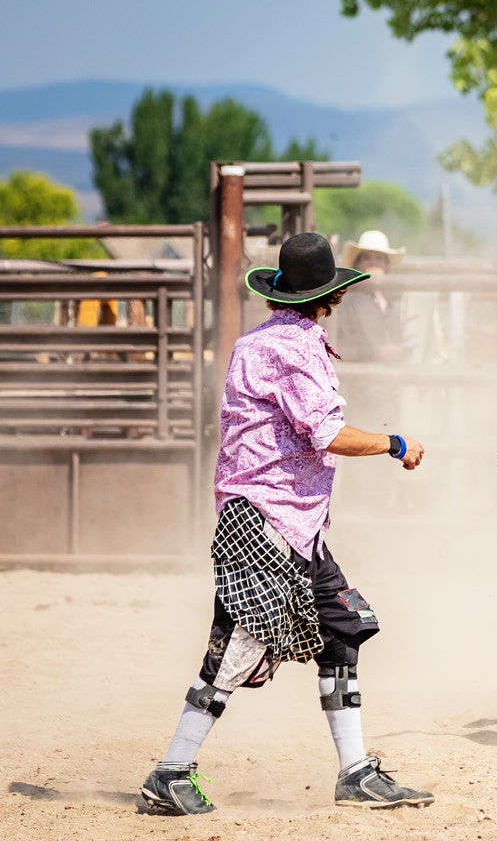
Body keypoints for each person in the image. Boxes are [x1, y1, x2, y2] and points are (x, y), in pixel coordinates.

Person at [138, 233, 433, 816]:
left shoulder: (259, 342)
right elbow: (326, 434)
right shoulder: (295, 351)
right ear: (329, 298)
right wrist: (394, 442)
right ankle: (172, 769)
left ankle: (354, 771)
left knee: (342, 625)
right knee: (237, 647)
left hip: (281, 522)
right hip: (272, 518)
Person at [329, 229, 408, 364]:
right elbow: (337, 348)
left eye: (379, 258)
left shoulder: (392, 303)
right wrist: (377, 352)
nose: (373, 263)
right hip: (358, 379)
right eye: (367, 258)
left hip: (391, 378)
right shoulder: (345, 301)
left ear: (386, 266)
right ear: (357, 265)